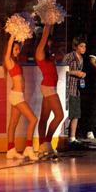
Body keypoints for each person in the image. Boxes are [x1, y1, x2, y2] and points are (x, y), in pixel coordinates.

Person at [4, 35, 38, 160]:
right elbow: (9, 46)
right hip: (17, 96)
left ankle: (10, 150)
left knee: (13, 124)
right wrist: (13, 35)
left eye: (19, 49)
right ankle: (28, 148)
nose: (18, 51)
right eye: (16, 49)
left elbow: (19, 47)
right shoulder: (8, 60)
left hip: (17, 95)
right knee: (33, 119)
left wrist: (21, 37)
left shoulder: (15, 61)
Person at [35, 24, 64, 158]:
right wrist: (48, 22)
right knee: (59, 116)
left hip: (49, 87)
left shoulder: (46, 52)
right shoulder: (40, 50)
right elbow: (45, 35)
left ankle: (42, 146)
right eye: (49, 40)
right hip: (48, 87)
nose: (51, 42)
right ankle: (47, 142)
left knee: (44, 118)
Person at [63, 36, 87, 149]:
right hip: (69, 89)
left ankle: (72, 137)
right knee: (70, 114)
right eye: (81, 46)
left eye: (85, 46)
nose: (84, 48)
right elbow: (62, 69)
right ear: (75, 47)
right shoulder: (69, 57)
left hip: (77, 89)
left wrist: (81, 75)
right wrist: (75, 72)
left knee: (76, 114)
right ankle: (65, 136)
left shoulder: (81, 58)